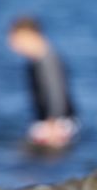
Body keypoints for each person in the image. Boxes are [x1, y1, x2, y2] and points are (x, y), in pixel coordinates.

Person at [8, 17, 78, 149]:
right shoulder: (37, 60)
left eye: (16, 40)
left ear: (30, 35)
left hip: (58, 124)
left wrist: (53, 123)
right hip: (50, 121)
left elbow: (57, 91)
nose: (13, 45)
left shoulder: (48, 59)